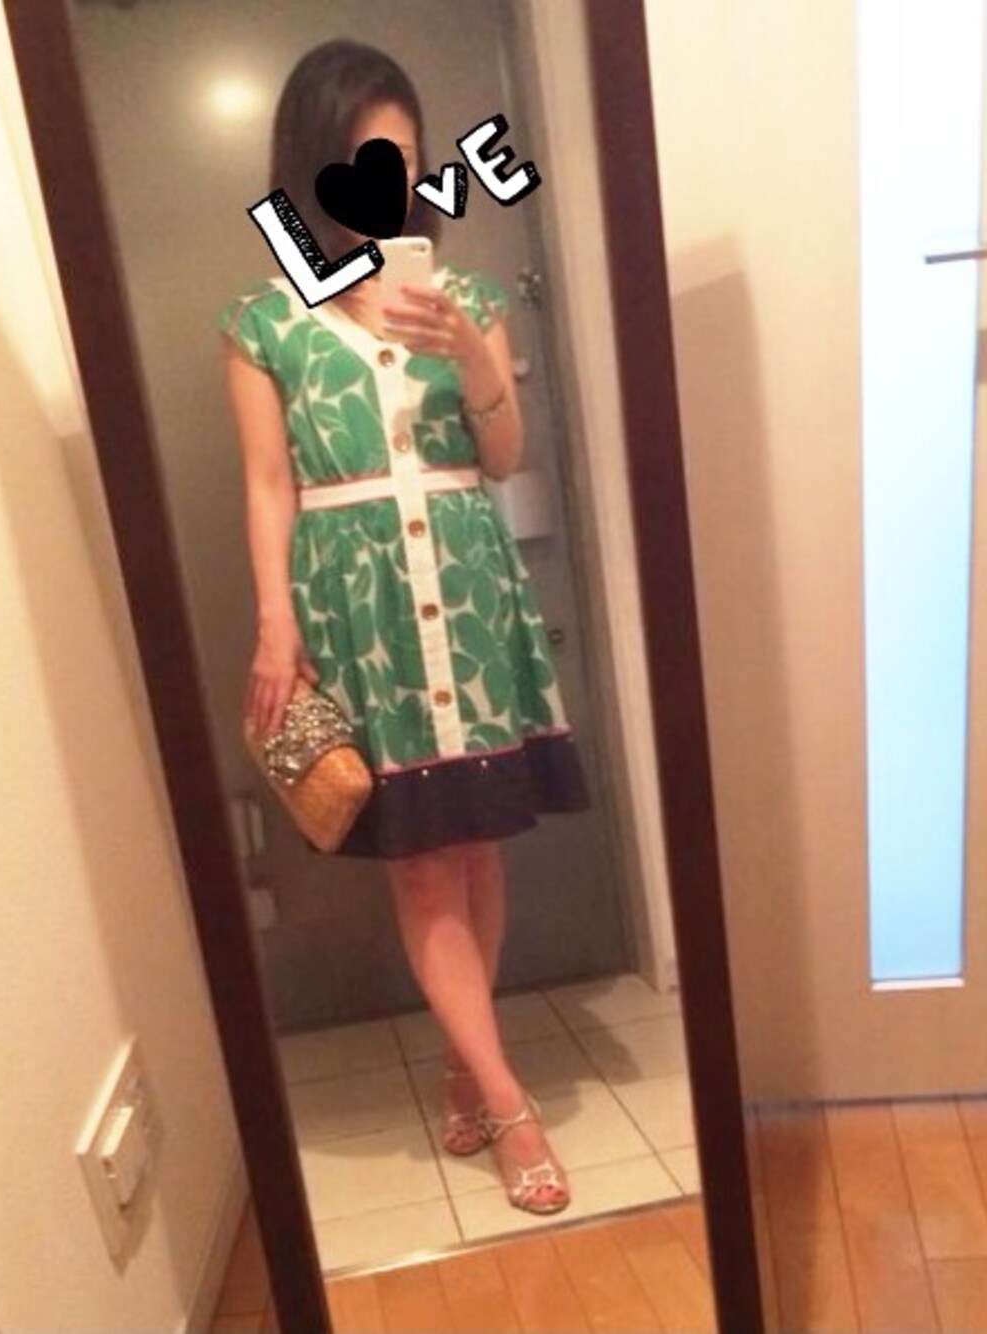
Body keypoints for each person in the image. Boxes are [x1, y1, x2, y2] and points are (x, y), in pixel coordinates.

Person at [218, 39, 590, 1216]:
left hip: (468, 599)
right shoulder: (264, 320)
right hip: (361, 609)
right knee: (424, 864)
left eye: (407, 159)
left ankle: (465, 1065)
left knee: (474, 850)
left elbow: (504, 454)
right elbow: (267, 482)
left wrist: (473, 354)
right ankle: (510, 1101)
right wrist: (274, 624)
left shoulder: (465, 301)